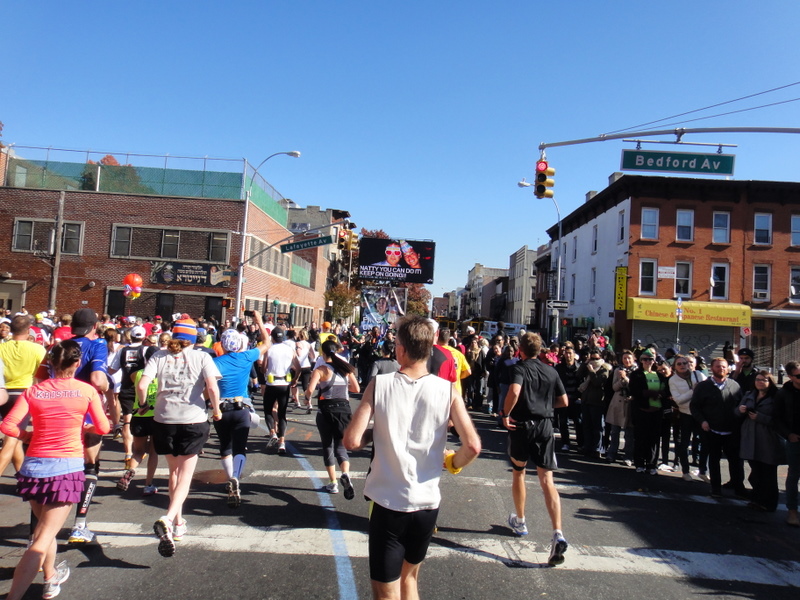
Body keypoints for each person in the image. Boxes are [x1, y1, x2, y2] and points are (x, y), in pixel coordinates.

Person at [344, 315, 480, 599]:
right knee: (410, 579)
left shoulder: (380, 384)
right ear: (430, 349)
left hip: (388, 502)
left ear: (401, 350)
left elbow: (352, 440)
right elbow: (473, 447)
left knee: (385, 591)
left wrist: (376, 433)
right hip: (427, 503)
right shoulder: (447, 391)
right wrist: (451, 462)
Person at [1, 340, 110, 600]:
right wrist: (84, 430)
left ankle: (50, 577)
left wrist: (26, 436)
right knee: (40, 541)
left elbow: (7, 425)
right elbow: (104, 427)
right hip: (65, 469)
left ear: (50, 363)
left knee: (43, 531)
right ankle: (14, 596)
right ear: (77, 363)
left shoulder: (34, 391)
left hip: (34, 468)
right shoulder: (86, 391)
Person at [138, 318, 222, 557]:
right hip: (192, 419)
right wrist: (216, 410)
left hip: (164, 420)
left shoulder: (159, 356)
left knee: (173, 473)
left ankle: (178, 522)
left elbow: (143, 385)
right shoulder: (202, 356)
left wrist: (144, 405)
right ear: (195, 338)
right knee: (185, 477)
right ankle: (167, 517)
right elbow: (213, 388)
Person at [501, 331, 569, 567]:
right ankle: (557, 532)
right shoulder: (551, 370)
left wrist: (505, 413)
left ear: (520, 349)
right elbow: (564, 401)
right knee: (547, 479)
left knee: (519, 471)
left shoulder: (519, 368)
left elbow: (515, 392)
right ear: (540, 350)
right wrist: (545, 406)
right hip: (545, 426)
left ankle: (520, 520)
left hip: (523, 425)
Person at [213, 313, 270, 508]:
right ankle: (236, 477)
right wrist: (259, 322)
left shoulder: (215, 363)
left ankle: (230, 477)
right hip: (241, 408)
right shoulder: (246, 357)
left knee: (225, 447)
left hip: (221, 408)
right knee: (240, 447)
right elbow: (267, 343)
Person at [66, 308, 110, 544]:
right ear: (94, 326)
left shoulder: (59, 345)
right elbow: (97, 380)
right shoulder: (98, 344)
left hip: (60, 408)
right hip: (87, 410)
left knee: (61, 463)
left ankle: (39, 532)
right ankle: (79, 525)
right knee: (90, 466)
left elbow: (41, 378)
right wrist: (105, 387)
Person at [307, 339, 360, 496]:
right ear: (336, 352)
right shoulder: (345, 369)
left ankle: (333, 483)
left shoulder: (321, 370)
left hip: (326, 411)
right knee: (340, 446)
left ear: (323, 354)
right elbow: (356, 389)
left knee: (328, 446)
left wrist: (307, 398)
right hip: (344, 410)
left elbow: (310, 390)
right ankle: (345, 474)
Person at [690, 357, 746, 499]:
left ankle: (738, 487)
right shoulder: (703, 386)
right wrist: (702, 421)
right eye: (718, 366)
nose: (721, 369)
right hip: (711, 430)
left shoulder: (735, 386)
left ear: (728, 369)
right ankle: (716, 488)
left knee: (735, 460)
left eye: (723, 367)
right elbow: (695, 406)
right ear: (712, 368)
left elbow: (740, 405)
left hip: (731, 430)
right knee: (714, 460)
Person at [0, 315, 47, 478]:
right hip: (24, 395)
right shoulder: (38, 349)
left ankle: (22, 476)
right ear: (28, 331)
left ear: (11, 330)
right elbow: (43, 376)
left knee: (15, 437)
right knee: (12, 438)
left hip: (4, 392)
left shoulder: (1, 347)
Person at [738, 370, 784, 512]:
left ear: (770, 382)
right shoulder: (749, 395)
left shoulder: (776, 397)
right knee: (756, 472)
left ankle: (769, 503)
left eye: (763, 380)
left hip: (767, 439)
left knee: (768, 473)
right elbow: (735, 413)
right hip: (750, 438)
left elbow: (780, 420)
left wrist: (760, 417)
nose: (760, 382)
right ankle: (756, 499)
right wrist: (740, 410)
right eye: (758, 379)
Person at [629, 349, 670, 475]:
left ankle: (651, 464)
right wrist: (648, 394)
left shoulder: (659, 375)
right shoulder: (636, 374)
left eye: (650, 359)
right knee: (641, 437)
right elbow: (634, 390)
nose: (647, 362)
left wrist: (660, 394)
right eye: (645, 359)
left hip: (657, 411)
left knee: (654, 439)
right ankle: (639, 463)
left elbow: (667, 390)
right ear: (641, 361)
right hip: (642, 410)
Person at [261, 326, 301, 455]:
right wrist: (295, 379)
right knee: (282, 413)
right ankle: (282, 441)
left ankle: (272, 432)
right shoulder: (290, 350)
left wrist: (264, 370)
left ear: (272, 337)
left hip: (271, 383)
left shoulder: (269, 349)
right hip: (284, 384)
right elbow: (298, 367)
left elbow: (264, 368)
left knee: (268, 410)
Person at [669, 354, 707, 481]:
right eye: (679, 364)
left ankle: (703, 470)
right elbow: (678, 400)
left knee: (705, 442)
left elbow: (707, 391)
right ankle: (685, 471)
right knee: (684, 443)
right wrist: (693, 391)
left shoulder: (698, 375)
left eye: (684, 363)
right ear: (675, 367)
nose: (683, 366)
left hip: (701, 414)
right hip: (685, 414)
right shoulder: (673, 380)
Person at [774, 361, 800, 526]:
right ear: (790, 376)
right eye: (798, 375)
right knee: (794, 475)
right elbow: (777, 418)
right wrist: (788, 434)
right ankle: (792, 511)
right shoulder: (784, 394)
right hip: (795, 440)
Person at [576, 347, 611, 458]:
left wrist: (591, 371)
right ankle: (587, 446)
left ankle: (597, 448)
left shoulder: (604, 368)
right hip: (586, 399)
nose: (594, 360)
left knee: (597, 427)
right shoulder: (588, 366)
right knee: (586, 425)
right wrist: (585, 363)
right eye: (592, 357)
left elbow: (597, 382)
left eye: (596, 358)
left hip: (597, 401)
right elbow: (578, 375)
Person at [606, 350, 637, 466]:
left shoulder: (636, 371)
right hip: (618, 402)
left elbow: (635, 387)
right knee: (614, 431)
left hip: (630, 403)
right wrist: (620, 380)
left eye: (629, 358)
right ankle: (611, 453)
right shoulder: (617, 370)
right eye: (624, 358)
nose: (627, 360)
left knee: (629, 433)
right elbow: (614, 387)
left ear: (633, 359)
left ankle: (628, 456)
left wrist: (626, 378)